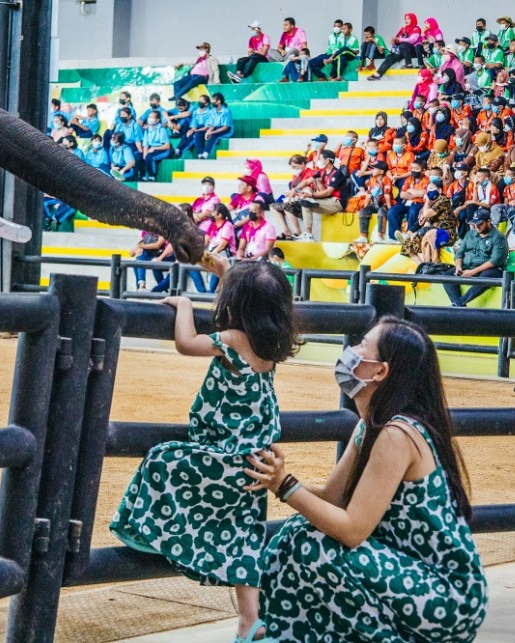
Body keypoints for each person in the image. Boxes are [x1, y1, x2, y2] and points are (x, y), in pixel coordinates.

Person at [250, 316, 486, 641]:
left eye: (363, 347)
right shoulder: (370, 426)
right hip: (408, 579)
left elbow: (351, 530)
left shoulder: (397, 434)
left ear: (380, 371)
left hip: (446, 597)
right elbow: (334, 499)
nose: (352, 352)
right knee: (297, 533)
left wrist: (285, 485)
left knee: (312, 545)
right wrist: (274, 477)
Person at [111, 258, 300, 643]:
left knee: (162, 459)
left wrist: (183, 306)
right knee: (244, 534)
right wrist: (222, 272)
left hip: (222, 454)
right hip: (254, 462)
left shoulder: (232, 340)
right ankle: (251, 621)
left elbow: (186, 343)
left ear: (234, 305)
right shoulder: (270, 347)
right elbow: (250, 291)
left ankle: (145, 531)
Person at [444, 208, 508, 307]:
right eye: (475, 224)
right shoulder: (471, 234)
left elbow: (494, 260)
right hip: (468, 266)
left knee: (486, 277)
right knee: (446, 275)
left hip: (489, 269)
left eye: (480, 224)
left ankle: (459, 303)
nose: (477, 227)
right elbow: (460, 253)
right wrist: (458, 266)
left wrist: (473, 272)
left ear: (488, 221)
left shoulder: (498, 237)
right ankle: (459, 305)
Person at [295, 150, 347, 241]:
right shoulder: (322, 171)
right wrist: (294, 190)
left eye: (320, 158)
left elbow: (328, 192)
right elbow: (307, 181)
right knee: (304, 202)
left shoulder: (337, 173)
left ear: (327, 161)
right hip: (326, 200)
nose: (318, 160)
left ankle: (309, 235)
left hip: (336, 202)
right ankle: (308, 235)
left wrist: (311, 195)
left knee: (306, 202)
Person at [369, 13, 423, 79]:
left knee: (404, 45)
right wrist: (394, 41)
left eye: (408, 18)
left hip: (412, 50)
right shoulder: (403, 29)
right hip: (402, 50)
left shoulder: (416, 29)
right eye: (405, 19)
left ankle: (409, 64)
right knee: (390, 57)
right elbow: (398, 39)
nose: (406, 20)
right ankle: (378, 74)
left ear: (413, 19)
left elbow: (412, 40)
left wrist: (399, 40)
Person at [357, 160, 394, 243]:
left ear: (381, 171)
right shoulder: (372, 179)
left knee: (381, 211)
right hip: (375, 203)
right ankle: (363, 236)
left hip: (385, 203)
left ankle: (379, 236)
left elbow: (387, 196)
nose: (372, 171)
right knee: (363, 211)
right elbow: (369, 195)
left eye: (374, 169)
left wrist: (390, 210)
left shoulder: (386, 179)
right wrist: (366, 207)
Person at [195, 93, 233, 159]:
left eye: (213, 100)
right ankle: (200, 154)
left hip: (226, 130)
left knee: (214, 136)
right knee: (198, 134)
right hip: (215, 128)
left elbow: (225, 127)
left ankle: (205, 154)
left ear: (219, 101)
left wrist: (211, 133)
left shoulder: (226, 111)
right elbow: (212, 125)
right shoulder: (212, 111)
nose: (212, 102)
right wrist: (208, 132)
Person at [140, 111, 172, 181]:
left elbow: (167, 146)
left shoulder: (161, 129)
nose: (150, 119)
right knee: (141, 157)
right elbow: (145, 145)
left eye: (152, 117)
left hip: (163, 149)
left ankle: (152, 176)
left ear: (157, 120)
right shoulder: (147, 130)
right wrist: (145, 154)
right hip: (151, 149)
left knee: (150, 157)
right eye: (149, 117)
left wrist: (154, 148)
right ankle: (142, 176)